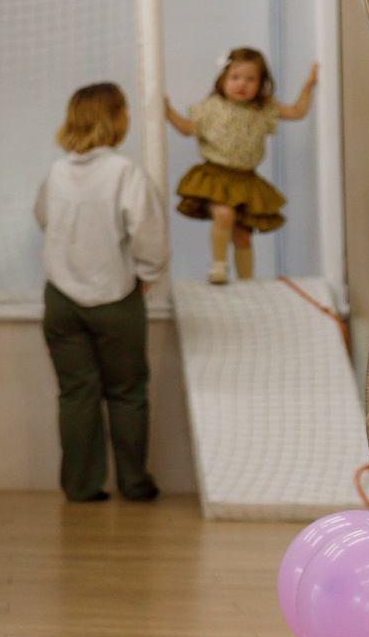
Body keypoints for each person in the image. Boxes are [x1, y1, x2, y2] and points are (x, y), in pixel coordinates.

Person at [36, 83, 169, 503]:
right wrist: (147, 274)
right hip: (116, 297)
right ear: (115, 118)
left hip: (60, 299)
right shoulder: (124, 171)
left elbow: (43, 216)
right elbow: (149, 236)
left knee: (77, 394)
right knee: (127, 393)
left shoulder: (56, 172)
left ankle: (80, 485)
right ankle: (133, 483)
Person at [164, 48, 317, 284]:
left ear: (262, 83)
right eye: (235, 78)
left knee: (243, 234)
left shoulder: (263, 108)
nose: (242, 85)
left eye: (251, 79)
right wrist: (166, 110)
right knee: (224, 214)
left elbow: (297, 112)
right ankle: (218, 266)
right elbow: (187, 128)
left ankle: (247, 281)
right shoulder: (212, 106)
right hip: (216, 176)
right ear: (223, 79)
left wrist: (309, 86)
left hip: (246, 179)